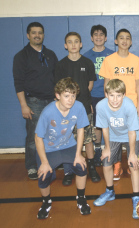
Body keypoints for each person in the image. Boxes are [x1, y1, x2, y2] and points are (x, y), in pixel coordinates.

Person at [35, 77, 91, 219]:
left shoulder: (78, 107)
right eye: (66, 96)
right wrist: (45, 162)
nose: (70, 100)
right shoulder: (48, 112)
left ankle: (81, 198)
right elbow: (38, 137)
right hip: (48, 149)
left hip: (68, 145)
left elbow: (80, 131)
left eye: (73, 95)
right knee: (44, 175)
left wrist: (79, 154)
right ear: (58, 96)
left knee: (82, 167)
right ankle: (46, 202)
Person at [13, 22, 58, 179]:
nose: (37, 35)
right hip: (33, 102)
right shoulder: (21, 56)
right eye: (34, 33)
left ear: (43, 35)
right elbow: (18, 82)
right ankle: (32, 166)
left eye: (40, 32)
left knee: (52, 134)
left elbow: (57, 78)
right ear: (28, 35)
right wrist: (23, 105)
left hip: (52, 101)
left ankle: (49, 162)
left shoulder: (50, 54)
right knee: (34, 136)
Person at [55, 32, 100, 184]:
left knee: (88, 140)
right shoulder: (61, 65)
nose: (73, 44)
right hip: (66, 110)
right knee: (68, 139)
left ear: (81, 44)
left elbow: (89, 86)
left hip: (84, 109)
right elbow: (59, 90)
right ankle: (69, 170)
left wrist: (88, 105)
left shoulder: (87, 62)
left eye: (76, 42)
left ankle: (91, 167)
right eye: (70, 42)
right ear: (65, 45)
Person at [99, 28, 139, 180]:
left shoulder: (136, 60)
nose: (125, 41)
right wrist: (107, 105)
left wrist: (138, 105)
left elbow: (138, 84)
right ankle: (117, 163)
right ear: (116, 41)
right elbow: (106, 84)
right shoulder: (109, 60)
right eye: (121, 38)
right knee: (114, 136)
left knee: (134, 136)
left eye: (128, 38)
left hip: (130, 105)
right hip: (114, 104)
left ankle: (133, 163)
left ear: (131, 42)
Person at [93, 79, 139, 219]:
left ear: (124, 95)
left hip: (131, 135)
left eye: (119, 95)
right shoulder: (101, 106)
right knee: (106, 161)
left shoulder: (129, 106)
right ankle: (110, 191)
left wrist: (132, 154)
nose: (115, 99)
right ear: (106, 94)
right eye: (112, 95)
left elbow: (132, 131)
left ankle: (136, 197)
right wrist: (107, 148)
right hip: (113, 135)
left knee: (133, 164)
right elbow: (104, 128)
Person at [83, 25, 114, 167]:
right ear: (91, 38)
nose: (99, 37)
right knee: (96, 125)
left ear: (106, 38)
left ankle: (111, 149)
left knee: (110, 124)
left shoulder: (113, 55)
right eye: (95, 34)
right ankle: (97, 150)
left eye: (102, 34)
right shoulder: (86, 56)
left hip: (110, 95)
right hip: (93, 95)